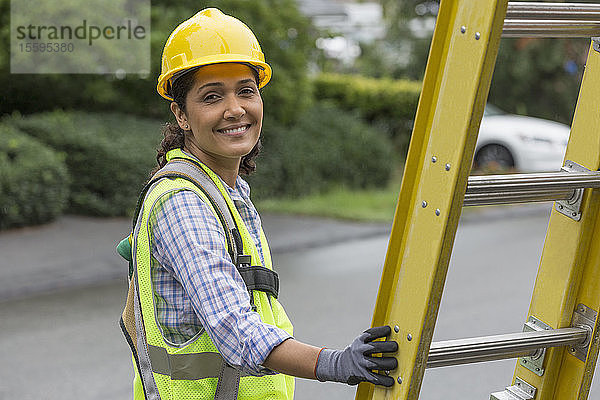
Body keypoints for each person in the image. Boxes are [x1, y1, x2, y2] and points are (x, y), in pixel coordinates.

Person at [120, 8, 398, 399]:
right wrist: (334, 363)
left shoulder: (228, 192)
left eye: (246, 90)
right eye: (212, 96)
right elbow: (236, 330)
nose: (235, 108)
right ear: (181, 114)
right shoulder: (182, 202)